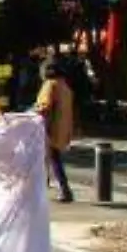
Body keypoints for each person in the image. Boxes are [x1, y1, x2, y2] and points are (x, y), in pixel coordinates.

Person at [36, 60, 76, 203]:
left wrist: (32, 113)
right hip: (62, 127)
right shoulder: (65, 86)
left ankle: (64, 190)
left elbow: (45, 106)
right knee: (54, 158)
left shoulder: (50, 84)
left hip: (49, 127)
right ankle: (63, 189)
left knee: (51, 158)